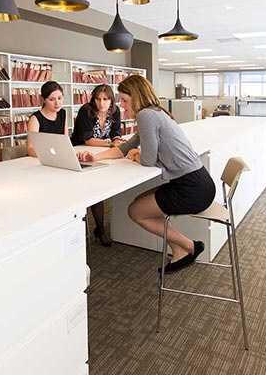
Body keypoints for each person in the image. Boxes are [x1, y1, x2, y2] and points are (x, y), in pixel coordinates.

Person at [77, 75, 215, 274]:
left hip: (191, 188)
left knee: (136, 211)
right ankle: (178, 249)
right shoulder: (155, 113)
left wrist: (137, 156)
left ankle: (191, 246)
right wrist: (95, 158)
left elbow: (147, 160)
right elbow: (124, 147)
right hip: (197, 181)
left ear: (137, 96)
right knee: (139, 201)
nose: (122, 107)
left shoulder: (146, 116)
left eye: (124, 100)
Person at [71, 84, 125, 247]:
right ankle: (99, 228)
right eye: (98, 99)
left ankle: (100, 228)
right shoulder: (86, 111)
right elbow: (88, 139)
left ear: (111, 100)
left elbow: (116, 132)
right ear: (93, 99)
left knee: (103, 185)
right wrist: (111, 144)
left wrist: (116, 139)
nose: (101, 103)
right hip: (81, 153)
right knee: (94, 189)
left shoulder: (114, 112)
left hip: (99, 153)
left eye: (105, 99)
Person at [26, 81, 68, 158]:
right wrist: (48, 156)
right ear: (43, 100)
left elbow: (65, 141)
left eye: (59, 98)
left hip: (58, 157)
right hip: (39, 159)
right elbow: (30, 149)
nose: (57, 103)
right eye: (51, 99)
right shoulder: (35, 118)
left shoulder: (62, 113)